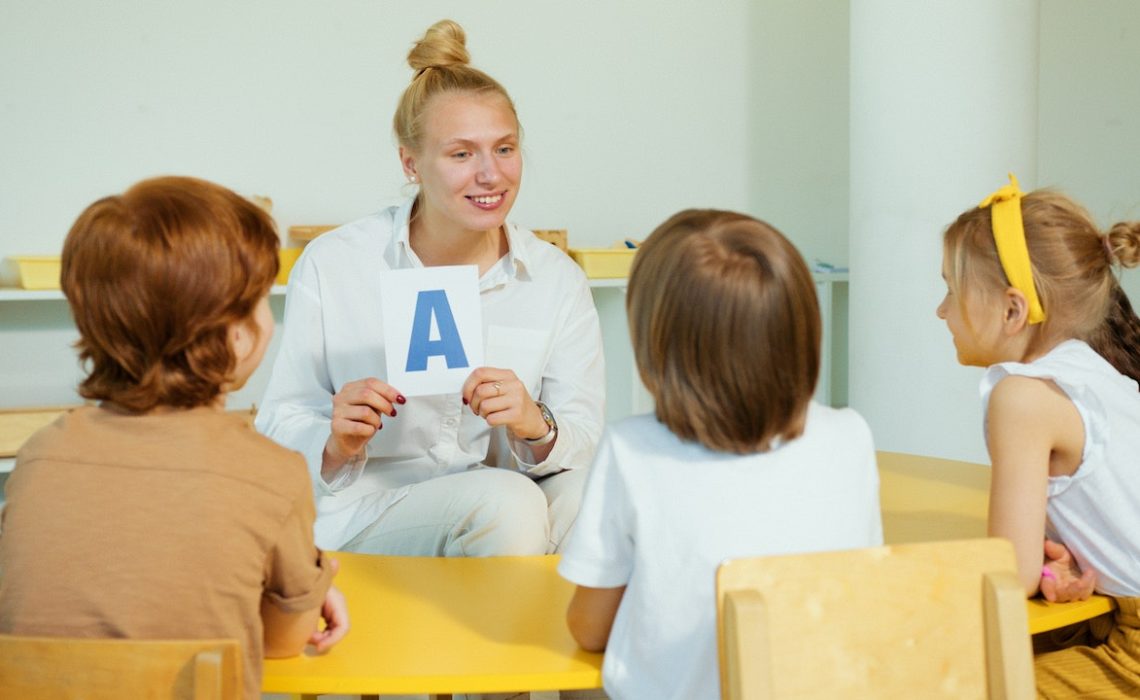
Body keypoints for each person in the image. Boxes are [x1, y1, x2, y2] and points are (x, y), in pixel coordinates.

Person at [256, 19, 604, 556]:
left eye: (505, 149)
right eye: (462, 154)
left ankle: (555, 638)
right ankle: (492, 641)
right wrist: (336, 437)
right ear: (411, 163)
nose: (491, 174)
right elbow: (282, 418)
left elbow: (581, 433)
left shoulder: (556, 279)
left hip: (509, 501)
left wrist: (537, 425)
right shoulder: (335, 263)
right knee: (505, 500)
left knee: (595, 494)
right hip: (373, 507)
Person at [0, 176, 348, 700]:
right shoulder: (270, 472)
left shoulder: (39, 456)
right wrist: (315, 582)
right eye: (259, 301)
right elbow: (284, 641)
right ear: (235, 334)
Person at [557, 209, 883, 700]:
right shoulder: (850, 435)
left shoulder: (632, 450)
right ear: (801, 330)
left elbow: (590, 630)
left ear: (655, 344)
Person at [936, 174, 1140, 697]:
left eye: (952, 291)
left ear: (1012, 309)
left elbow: (1010, 573)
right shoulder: (1099, 376)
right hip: (1119, 616)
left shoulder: (1022, 398)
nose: (941, 311)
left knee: (946, 680)